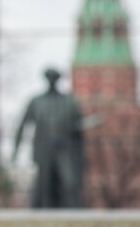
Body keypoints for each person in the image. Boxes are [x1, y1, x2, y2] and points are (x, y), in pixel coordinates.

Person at [12, 68, 85, 208]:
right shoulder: (37, 101)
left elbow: (79, 130)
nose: (52, 82)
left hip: (65, 148)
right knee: (44, 184)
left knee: (69, 182)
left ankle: (73, 213)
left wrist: (79, 153)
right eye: (50, 78)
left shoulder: (69, 102)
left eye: (54, 79)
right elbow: (23, 125)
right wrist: (15, 151)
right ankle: (40, 213)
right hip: (43, 148)